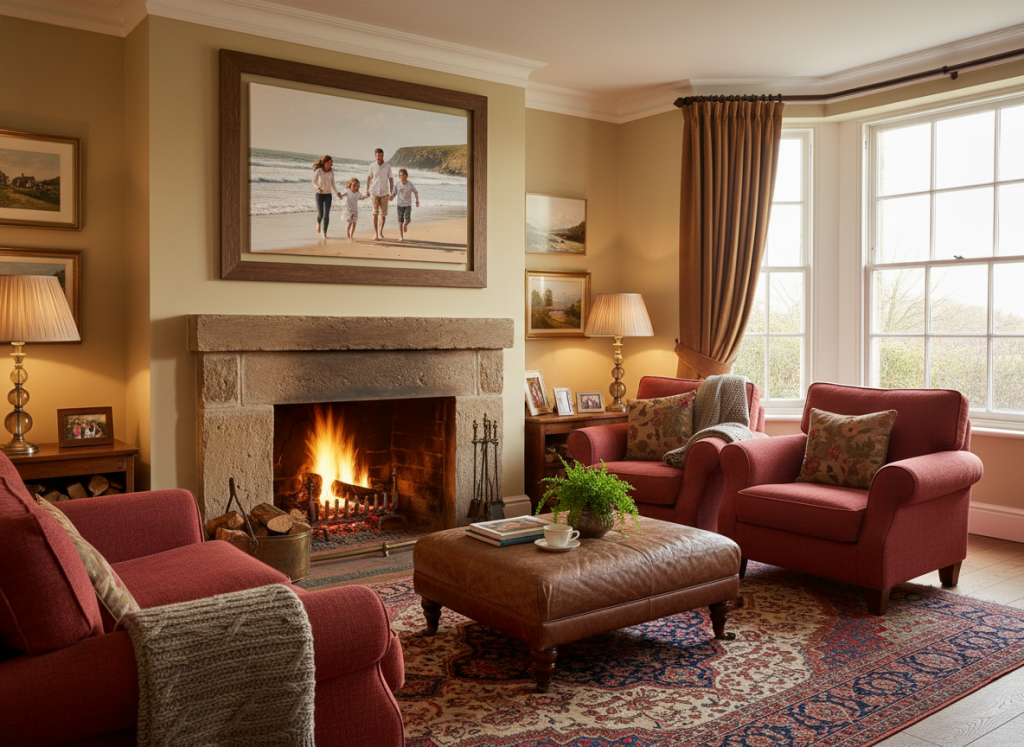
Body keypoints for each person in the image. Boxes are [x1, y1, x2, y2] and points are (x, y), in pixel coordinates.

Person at [365, 148, 394, 241]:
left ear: (383, 155)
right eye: (377, 155)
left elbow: (391, 179)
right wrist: (367, 189)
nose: (379, 157)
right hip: (374, 192)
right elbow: (369, 178)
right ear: (375, 156)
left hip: (385, 193)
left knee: (383, 214)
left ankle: (381, 231)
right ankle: (376, 234)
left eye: (380, 155)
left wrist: (392, 191)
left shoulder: (387, 166)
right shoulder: (372, 166)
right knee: (375, 213)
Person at [312, 155, 342, 239]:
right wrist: (317, 187)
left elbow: (333, 184)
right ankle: (318, 223)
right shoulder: (319, 171)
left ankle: (324, 233)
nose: (329, 164)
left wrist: (337, 192)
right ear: (324, 163)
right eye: (328, 163)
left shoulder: (331, 172)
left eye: (330, 163)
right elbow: (313, 182)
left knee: (327, 215)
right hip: (319, 195)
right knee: (320, 214)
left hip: (328, 195)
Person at [391, 168, 419, 242]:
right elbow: (394, 192)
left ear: (406, 176)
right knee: (400, 222)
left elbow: (416, 192)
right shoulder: (397, 184)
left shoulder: (410, 184)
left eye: (403, 175)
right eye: (400, 175)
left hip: (408, 204)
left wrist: (417, 200)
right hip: (399, 204)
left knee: (408, 219)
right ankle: (401, 237)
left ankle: (405, 224)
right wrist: (392, 197)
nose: (402, 177)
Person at [339, 177, 369, 242]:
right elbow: (342, 194)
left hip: (355, 210)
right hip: (348, 210)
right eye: (353, 185)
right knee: (350, 223)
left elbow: (362, 198)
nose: (355, 187)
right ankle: (348, 237)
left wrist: (367, 196)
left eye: (356, 186)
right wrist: (340, 195)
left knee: (354, 223)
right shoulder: (347, 191)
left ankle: (352, 235)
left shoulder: (358, 193)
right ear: (350, 185)